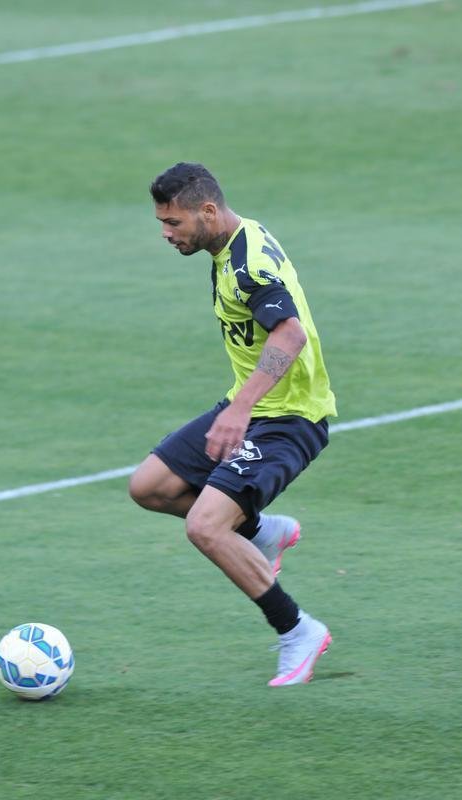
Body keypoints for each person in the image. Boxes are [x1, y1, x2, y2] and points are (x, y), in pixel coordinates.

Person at [129, 162, 337, 686]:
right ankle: (263, 531)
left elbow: (289, 337)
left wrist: (240, 411)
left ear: (207, 211)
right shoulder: (230, 242)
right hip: (250, 406)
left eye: (173, 223)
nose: (165, 233)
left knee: (204, 526)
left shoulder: (248, 264)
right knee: (150, 487)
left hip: (288, 419)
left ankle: (298, 631)